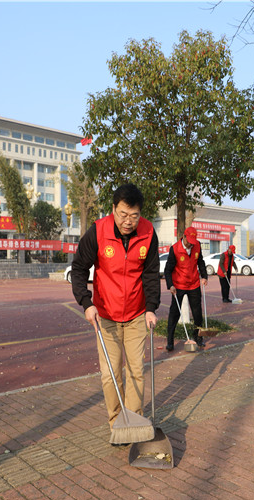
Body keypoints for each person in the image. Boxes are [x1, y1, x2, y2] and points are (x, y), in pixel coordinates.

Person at [71, 183, 160, 436]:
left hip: (136, 314)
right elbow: (79, 269)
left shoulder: (148, 233)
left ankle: (134, 422)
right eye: (123, 214)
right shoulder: (98, 231)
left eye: (134, 215)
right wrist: (86, 303)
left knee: (136, 372)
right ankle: (117, 423)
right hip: (105, 316)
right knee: (110, 375)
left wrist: (151, 308)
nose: (128, 221)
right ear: (113, 209)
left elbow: (151, 273)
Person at [164, 226, 208, 352]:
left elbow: (200, 262)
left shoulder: (197, 245)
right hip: (179, 285)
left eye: (193, 242)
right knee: (174, 313)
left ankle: (198, 337)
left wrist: (204, 276)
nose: (190, 245)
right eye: (189, 242)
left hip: (194, 284)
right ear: (183, 237)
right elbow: (168, 270)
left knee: (197, 313)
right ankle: (170, 341)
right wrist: (170, 285)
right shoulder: (175, 249)